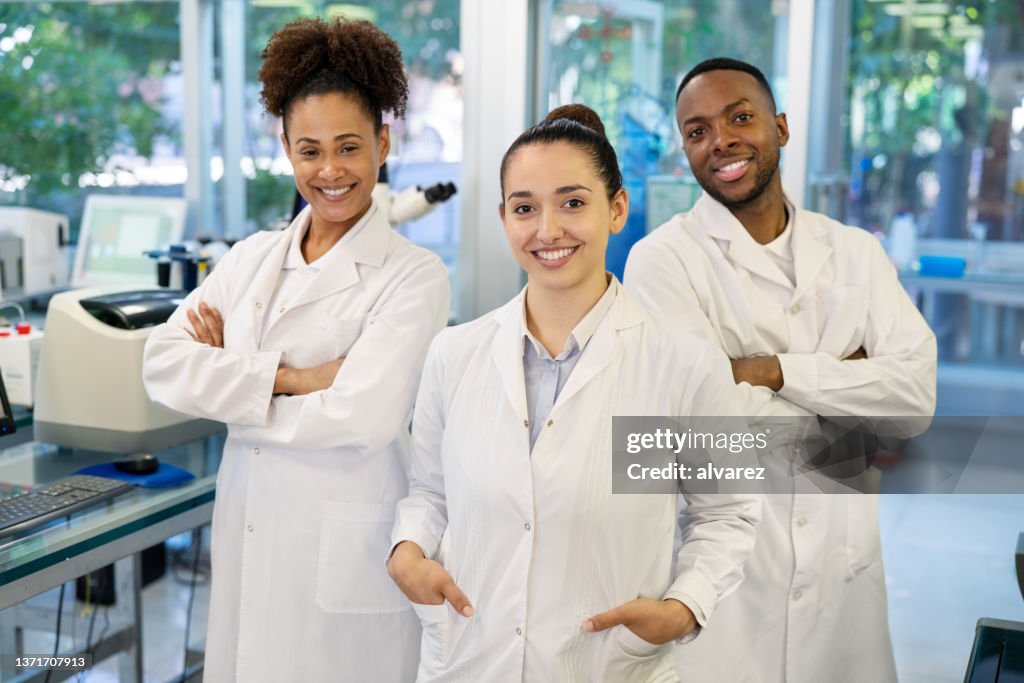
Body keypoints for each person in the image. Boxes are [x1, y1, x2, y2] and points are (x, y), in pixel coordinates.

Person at [386, 104, 762, 681]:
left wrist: (683, 608)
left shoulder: (681, 361)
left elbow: (726, 513)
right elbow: (430, 492)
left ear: (616, 209)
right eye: (525, 208)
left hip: (607, 662)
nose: (548, 230)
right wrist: (407, 551)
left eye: (573, 203)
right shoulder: (454, 355)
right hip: (469, 657)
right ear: (503, 218)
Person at [142, 17, 450, 682]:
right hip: (247, 539)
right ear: (285, 146)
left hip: (342, 556)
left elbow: (361, 418)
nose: (330, 170)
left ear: (384, 142)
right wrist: (295, 378)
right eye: (310, 150)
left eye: (349, 147)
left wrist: (230, 383)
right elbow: (162, 366)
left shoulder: (414, 274)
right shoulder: (250, 258)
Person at [624, 57, 937, 682]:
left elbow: (912, 404)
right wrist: (848, 402)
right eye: (697, 130)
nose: (721, 141)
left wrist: (769, 371)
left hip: (840, 579)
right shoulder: (662, 260)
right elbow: (698, 431)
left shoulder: (855, 251)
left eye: (741, 117)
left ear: (782, 127)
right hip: (727, 582)